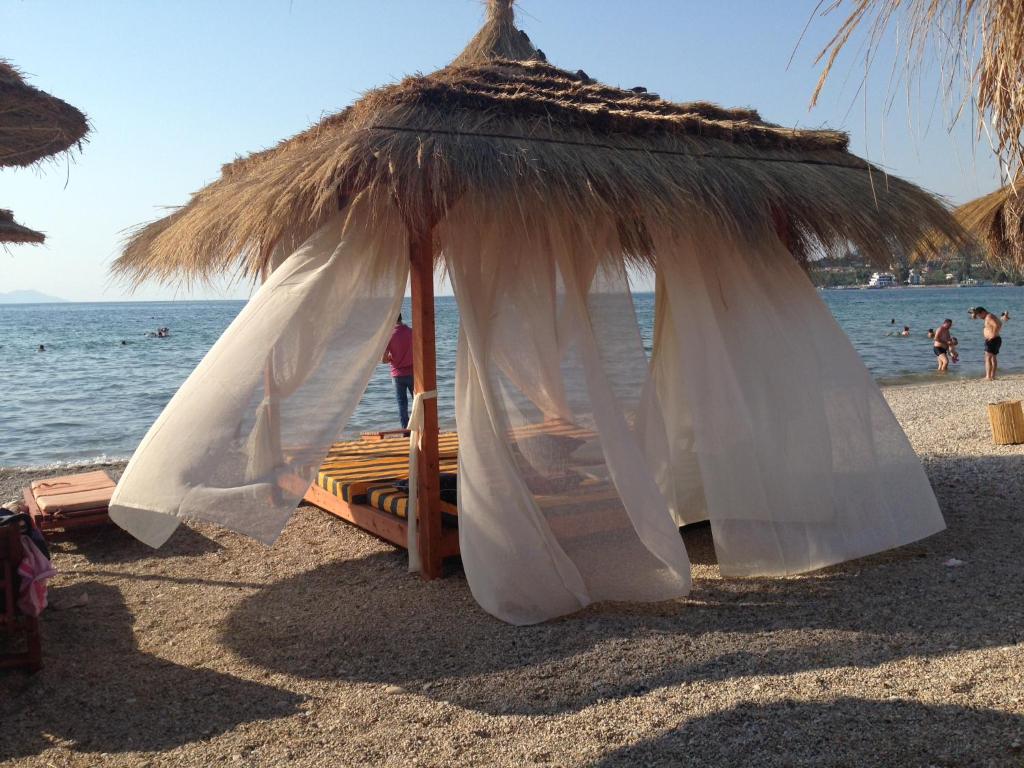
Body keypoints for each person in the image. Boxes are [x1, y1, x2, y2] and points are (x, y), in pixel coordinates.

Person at [382, 314, 414, 428]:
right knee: (417, 403)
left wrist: (391, 358)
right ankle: (420, 428)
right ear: (401, 318)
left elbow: (384, 359)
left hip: (397, 375)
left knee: (402, 404)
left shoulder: (389, 335)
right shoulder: (411, 332)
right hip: (412, 373)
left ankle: (406, 431)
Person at [970, 306, 1003, 380]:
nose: (979, 317)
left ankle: (988, 376)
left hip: (992, 340)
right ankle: (992, 376)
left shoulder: (988, 317)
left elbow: (996, 325)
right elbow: (1000, 323)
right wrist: (996, 333)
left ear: (983, 312)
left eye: (979, 315)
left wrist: (992, 335)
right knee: (993, 358)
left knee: (987, 358)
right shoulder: (991, 315)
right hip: (996, 339)